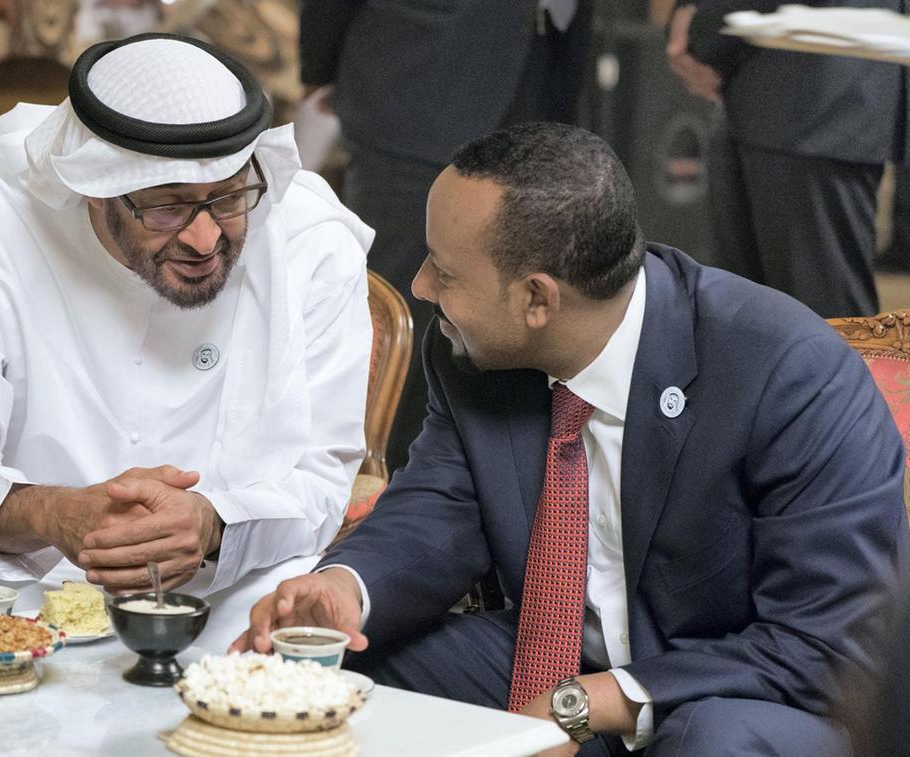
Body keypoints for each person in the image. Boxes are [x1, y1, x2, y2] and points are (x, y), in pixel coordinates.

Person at [234, 122, 908, 755]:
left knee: (715, 736)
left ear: (538, 300)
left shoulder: (786, 371)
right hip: (552, 661)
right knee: (349, 675)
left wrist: (603, 698)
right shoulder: (474, 353)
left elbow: (830, 645)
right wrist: (349, 585)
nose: (420, 287)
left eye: (446, 271)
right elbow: (438, 505)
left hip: (732, 691)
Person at [0, 32, 373, 663]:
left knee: (296, 603)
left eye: (227, 198)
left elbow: (320, 480)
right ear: (94, 184)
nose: (205, 239)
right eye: (168, 207)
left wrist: (211, 523)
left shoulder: (310, 238)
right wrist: (54, 513)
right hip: (18, 572)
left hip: (223, 577)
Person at [299, 0, 594, 474]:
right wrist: (319, 62)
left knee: (522, 319)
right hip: (420, 76)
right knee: (399, 316)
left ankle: (474, 494)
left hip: (543, 65)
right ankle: (361, 499)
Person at [666, 0, 910, 318]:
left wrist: (706, 21)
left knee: (825, 330)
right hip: (752, 82)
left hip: (823, 95)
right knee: (738, 322)